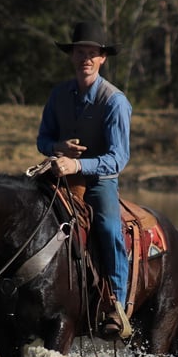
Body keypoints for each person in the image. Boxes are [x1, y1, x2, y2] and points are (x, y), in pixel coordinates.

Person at [36, 21, 133, 339]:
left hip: (100, 181)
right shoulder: (58, 94)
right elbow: (43, 139)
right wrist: (56, 148)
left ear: (103, 58)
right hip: (61, 174)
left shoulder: (115, 101)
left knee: (107, 228)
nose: (85, 58)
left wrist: (76, 164)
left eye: (92, 53)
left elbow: (118, 158)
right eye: (80, 52)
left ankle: (117, 306)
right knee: (25, 215)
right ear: (71, 55)